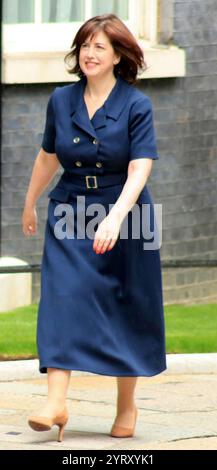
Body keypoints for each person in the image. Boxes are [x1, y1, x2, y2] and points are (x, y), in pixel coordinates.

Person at [22, 13, 167, 442]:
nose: (89, 53)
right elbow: (49, 155)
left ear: (119, 54)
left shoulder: (136, 105)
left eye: (100, 46)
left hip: (126, 212)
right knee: (61, 298)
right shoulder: (61, 100)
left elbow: (141, 167)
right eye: (85, 44)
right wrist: (30, 203)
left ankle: (126, 406)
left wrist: (117, 216)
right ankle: (56, 402)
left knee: (128, 304)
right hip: (70, 208)